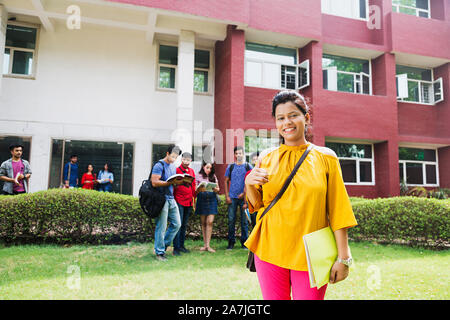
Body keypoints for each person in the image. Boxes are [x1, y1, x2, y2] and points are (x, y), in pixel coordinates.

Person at [244, 90, 358, 300]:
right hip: (269, 247)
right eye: (280, 118)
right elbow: (257, 205)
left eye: (293, 115)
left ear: (306, 117)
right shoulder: (266, 157)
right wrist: (248, 184)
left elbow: (338, 209)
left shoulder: (326, 157)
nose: (287, 122)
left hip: (312, 252)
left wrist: (344, 257)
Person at [151, 144, 184, 261]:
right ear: (167, 154)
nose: (174, 159)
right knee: (162, 226)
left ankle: (162, 246)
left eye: (176, 157)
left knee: (177, 224)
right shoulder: (159, 165)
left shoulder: (173, 166)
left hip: (171, 198)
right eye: (173, 156)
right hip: (161, 199)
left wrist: (179, 182)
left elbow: (172, 182)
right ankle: (159, 253)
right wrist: (168, 183)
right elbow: (154, 182)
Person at [224, 146, 253, 250]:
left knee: (244, 221)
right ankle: (231, 243)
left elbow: (251, 182)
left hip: (244, 199)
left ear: (243, 154)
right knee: (231, 220)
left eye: (240, 153)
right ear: (234, 155)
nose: (238, 155)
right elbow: (226, 181)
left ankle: (244, 243)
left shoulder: (248, 166)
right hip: (232, 198)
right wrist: (227, 196)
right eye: (236, 153)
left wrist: (245, 194)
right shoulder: (231, 167)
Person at [172, 152, 196, 256]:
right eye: (184, 160)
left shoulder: (191, 171)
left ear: (191, 161)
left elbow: (194, 186)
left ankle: (181, 246)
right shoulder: (176, 170)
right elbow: (172, 184)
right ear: (181, 160)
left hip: (189, 201)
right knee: (178, 224)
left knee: (184, 225)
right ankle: (176, 248)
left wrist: (195, 195)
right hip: (179, 200)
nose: (186, 162)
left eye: (188, 160)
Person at [195, 161, 220, 252]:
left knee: (210, 221)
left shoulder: (213, 176)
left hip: (212, 199)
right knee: (203, 223)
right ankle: (205, 245)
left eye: (210, 168)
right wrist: (199, 189)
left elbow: (218, 189)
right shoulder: (198, 176)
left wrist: (215, 189)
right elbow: (195, 190)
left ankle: (208, 245)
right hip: (202, 199)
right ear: (203, 167)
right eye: (207, 168)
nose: (209, 170)